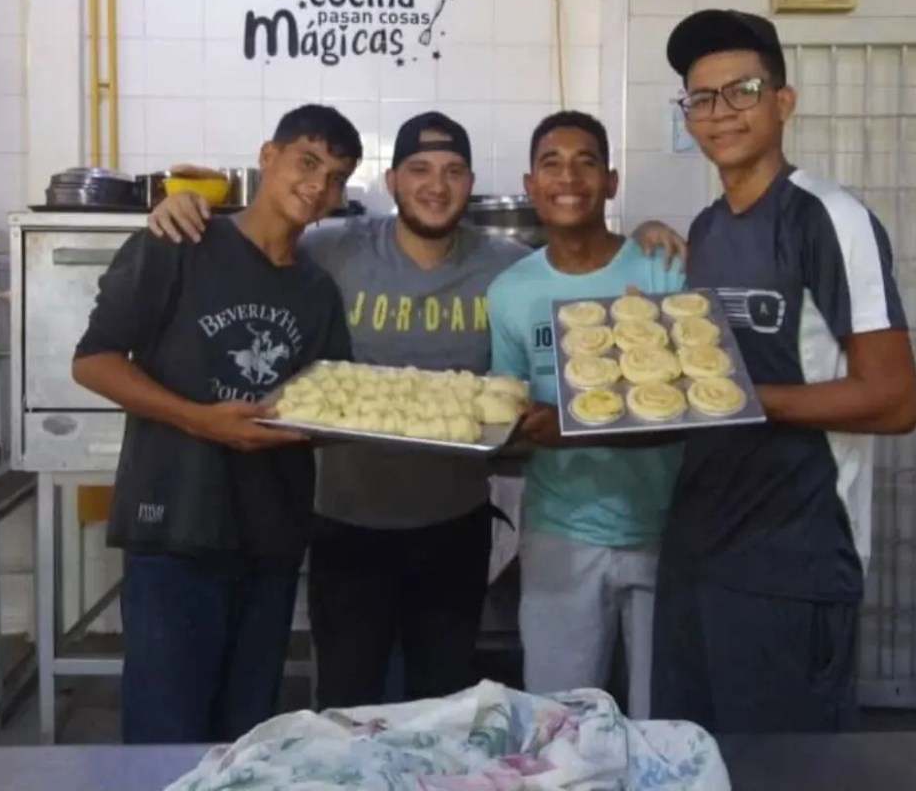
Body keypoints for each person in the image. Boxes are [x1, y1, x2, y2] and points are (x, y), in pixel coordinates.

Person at [149, 110, 687, 710]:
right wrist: (189, 214)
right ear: (392, 182)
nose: (437, 185)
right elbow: (263, 237)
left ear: (473, 181)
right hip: (347, 525)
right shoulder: (334, 249)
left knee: (444, 707)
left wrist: (649, 233)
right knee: (349, 709)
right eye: (420, 169)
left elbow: (577, 259)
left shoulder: (504, 266)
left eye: (454, 170)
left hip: (453, 527)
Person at [650, 9, 916, 734]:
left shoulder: (827, 218)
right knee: (698, 760)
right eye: (701, 99)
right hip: (700, 547)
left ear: (782, 100)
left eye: (740, 90)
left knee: (790, 769)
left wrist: (737, 400)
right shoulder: (708, 229)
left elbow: (895, 400)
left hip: (793, 558)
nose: (720, 113)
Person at [72, 104, 362, 744]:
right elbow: (92, 363)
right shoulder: (180, 241)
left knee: (245, 742)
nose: (318, 186)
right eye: (306, 162)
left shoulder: (316, 291)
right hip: (176, 529)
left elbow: (330, 401)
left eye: (336, 176)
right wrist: (200, 421)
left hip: (271, 540)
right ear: (268, 156)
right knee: (164, 742)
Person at [486, 111, 686, 720]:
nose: (568, 176)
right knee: (558, 723)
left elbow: (703, 397)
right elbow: (508, 408)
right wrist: (521, 424)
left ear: (612, 181)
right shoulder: (512, 291)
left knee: (668, 723)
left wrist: (574, 422)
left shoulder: (660, 269)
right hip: (562, 534)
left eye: (586, 161)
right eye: (552, 163)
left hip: (669, 529)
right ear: (530, 184)